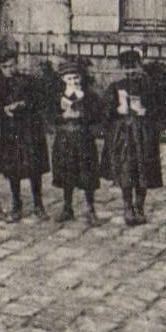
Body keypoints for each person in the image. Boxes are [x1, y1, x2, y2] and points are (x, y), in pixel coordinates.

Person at [103, 48, 163, 226]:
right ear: (122, 69)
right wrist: (115, 112)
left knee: (143, 169)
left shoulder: (149, 88)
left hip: (143, 134)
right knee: (126, 169)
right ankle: (127, 206)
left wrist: (148, 111)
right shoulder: (116, 87)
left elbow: (161, 109)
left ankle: (140, 206)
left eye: (134, 67)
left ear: (140, 67)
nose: (130, 72)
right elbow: (106, 112)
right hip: (124, 135)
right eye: (126, 68)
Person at [0, 45, 49, 220]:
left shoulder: (28, 81)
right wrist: (4, 109)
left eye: (11, 65)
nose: (9, 70)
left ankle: (38, 204)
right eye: (5, 67)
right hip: (10, 132)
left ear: (17, 63)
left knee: (34, 168)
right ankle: (17, 205)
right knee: (13, 169)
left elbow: (39, 102)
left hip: (29, 130)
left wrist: (24, 104)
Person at [50, 61, 101, 224]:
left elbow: (97, 116)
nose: (73, 82)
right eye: (70, 78)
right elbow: (49, 116)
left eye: (76, 78)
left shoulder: (89, 96)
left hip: (83, 139)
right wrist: (61, 117)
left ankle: (90, 209)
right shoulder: (58, 97)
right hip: (65, 140)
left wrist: (82, 115)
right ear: (64, 79)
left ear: (81, 78)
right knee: (66, 172)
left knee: (87, 174)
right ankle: (67, 208)